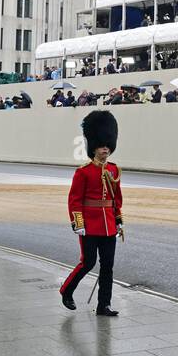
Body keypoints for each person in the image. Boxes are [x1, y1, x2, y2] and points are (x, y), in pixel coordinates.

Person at [60, 110, 124, 316]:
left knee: (108, 267)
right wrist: (78, 223)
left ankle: (104, 304)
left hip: (108, 226)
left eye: (107, 145)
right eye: (101, 145)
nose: (105, 148)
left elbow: (116, 199)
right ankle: (66, 290)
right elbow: (74, 200)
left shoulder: (114, 170)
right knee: (88, 262)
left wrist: (118, 220)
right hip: (89, 224)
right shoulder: (83, 171)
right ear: (94, 147)